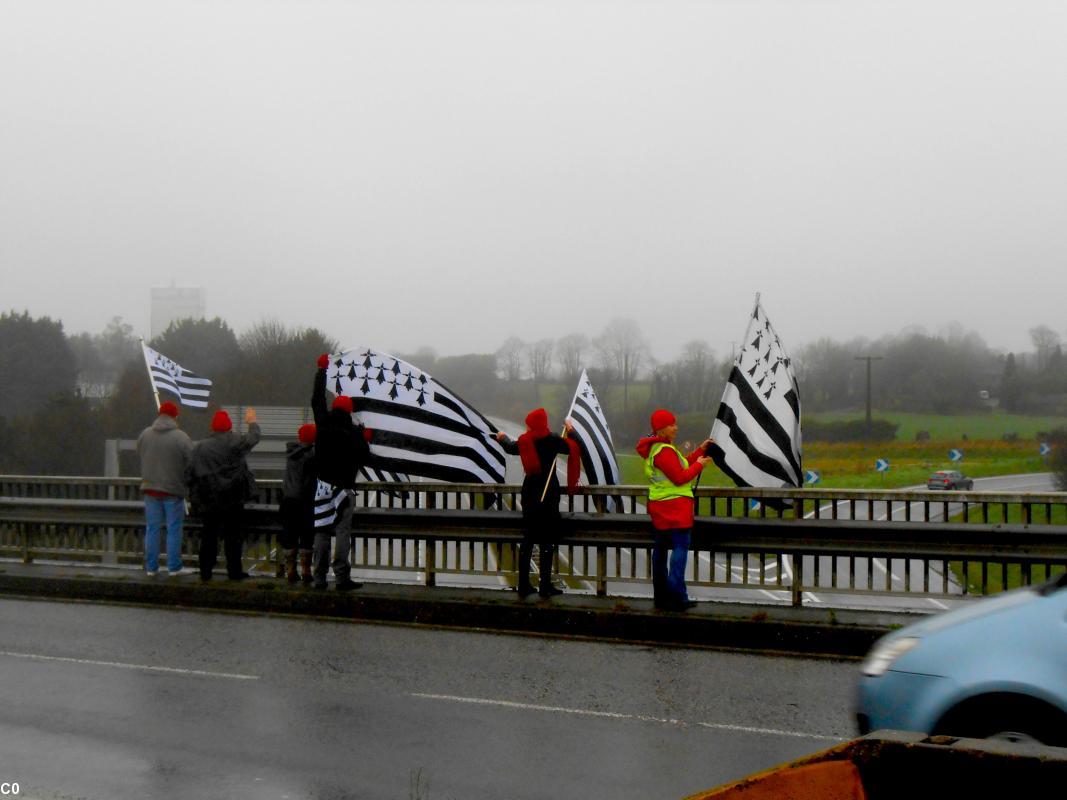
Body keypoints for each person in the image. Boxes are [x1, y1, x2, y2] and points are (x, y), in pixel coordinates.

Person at [495, 408, 581, 598]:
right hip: (549, 493)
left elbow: (511, 447)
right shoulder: (554, 439)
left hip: (530, 494)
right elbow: (574, 446)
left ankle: (524, 585)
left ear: (532, 424)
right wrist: (571, 430)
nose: (526, 427)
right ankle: (545, 587)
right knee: (547, 541)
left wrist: (502, 438)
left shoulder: (526, 441)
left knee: (528, 540)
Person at [635, 409, 713, 611]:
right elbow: (680, 477)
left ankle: (661, 595)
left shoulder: (658, 449)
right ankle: (677, 596)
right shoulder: (664, 451)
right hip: (676, 508)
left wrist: (700, 452)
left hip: (660, 508)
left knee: (660, 551)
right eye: (672, 424)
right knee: (679, 549)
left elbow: (681, 464)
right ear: (662, 428)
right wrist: (700, 466)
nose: (676, 428)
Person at [312, 354, 372, 591]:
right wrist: (365, 439)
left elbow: (316, 399)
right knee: (342, 533)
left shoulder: (323, 424)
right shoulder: (353, 433)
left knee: (322, 531)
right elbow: (365, 458)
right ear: (349, 412)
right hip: (344, 490)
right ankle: (341, 577)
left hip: (322, 487)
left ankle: (318, 578)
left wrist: (321, 371)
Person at [187, 408, 261, 581]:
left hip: (209, 500)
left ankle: (206, 571)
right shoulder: (235, 442)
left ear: (213, 428)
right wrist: (252, 422)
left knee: (209, 536)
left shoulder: (201, 447)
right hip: (233, 498)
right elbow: (253, 438)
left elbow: (190, 473)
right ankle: (234, 572)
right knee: (233, 537)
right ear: (229, 427)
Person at [136, 400, 193, 576]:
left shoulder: (145, 434)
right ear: (175, 416)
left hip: (150, 489)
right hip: (173, 490)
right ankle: (174, 567)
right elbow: (191, 462)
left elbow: (140, 451)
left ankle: (151, 567)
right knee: (173, 529)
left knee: (152, 529)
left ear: (160, 414)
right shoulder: (181, 437)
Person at [279, 423, 318, 586]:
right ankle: (306, 571)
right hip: (306, 501)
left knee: (290, 536)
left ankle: (290, 570)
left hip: (288, 500)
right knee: (307, 536)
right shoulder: (312, 455)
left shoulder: (291, 453)